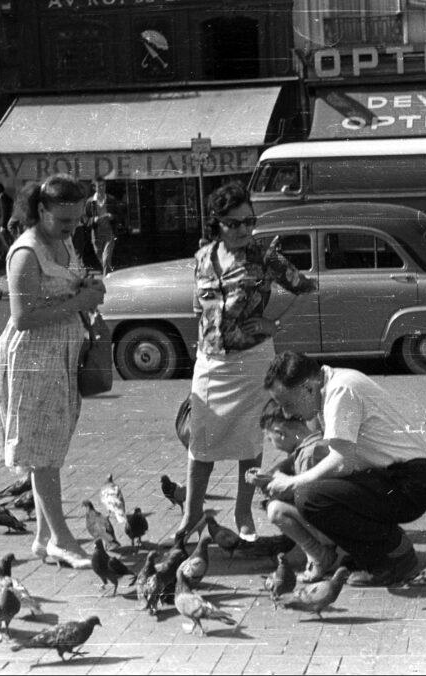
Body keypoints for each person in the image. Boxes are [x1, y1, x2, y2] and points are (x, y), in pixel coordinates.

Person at [176, 181, 317, 543]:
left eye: (249, 221)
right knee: (201, 441)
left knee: (249, 441)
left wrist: (275, 324)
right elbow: (198, 306)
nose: (244, 229)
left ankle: (243, 512)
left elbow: (306, 289)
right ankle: (191, 514)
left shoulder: (265, 257)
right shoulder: (202, 257)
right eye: (234, 223)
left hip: (253, 361)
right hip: (211, 363)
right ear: (217, 223)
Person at [0, 173, 107, 569]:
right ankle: (61, 539)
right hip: (32, 359)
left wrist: (87, 287)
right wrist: (78, 302)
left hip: (59, 357)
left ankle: (41, 536)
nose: (72, 227)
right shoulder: (26, 252)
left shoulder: (62, 241)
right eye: (63, 219)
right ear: (41, 209)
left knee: (49, 448)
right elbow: (22, 317)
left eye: (77, 218)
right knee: (43, 455)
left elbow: (66, 284)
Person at [264, 351, 426, 587]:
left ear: (308, 388)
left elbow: (340, 461)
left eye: (288, 404)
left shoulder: (341, 390)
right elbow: (328, 450)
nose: (286, 414)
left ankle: (394, 556)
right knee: (314, 492)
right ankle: (374, 554)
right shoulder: (331, 386)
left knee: (309, 497)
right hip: (394, 478)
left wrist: (292, 482)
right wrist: (278, 473)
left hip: (408, 485)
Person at [250, 400, 334, 583]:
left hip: (331, 529)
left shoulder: (308, 455)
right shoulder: (317, 441)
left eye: (270, 439)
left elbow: (307, 498)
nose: (272, 444)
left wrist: (272, 489)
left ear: (280, 433)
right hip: (337, 521)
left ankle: (319, 556)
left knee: (275, 510)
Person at [82, 177, 122, 274]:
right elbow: (84, 219)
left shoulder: (111, 199)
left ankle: (106, 278)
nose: (101, 188)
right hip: (96, 234)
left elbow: (119, 214)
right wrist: (93, 220)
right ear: (94, 187)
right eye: (99, 186)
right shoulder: (91, 201)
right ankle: (109, 274)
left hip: (109, 233)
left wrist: (112, 216)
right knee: (102, 257)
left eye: (103, 185)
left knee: (106, 258)